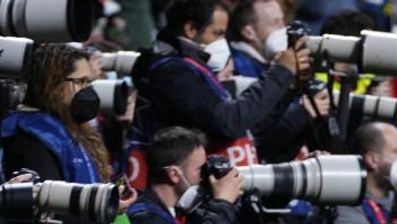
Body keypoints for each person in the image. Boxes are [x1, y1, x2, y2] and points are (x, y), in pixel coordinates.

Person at [129, 0, 311, 189]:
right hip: (181, 195)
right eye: (217, 34)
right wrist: (281, 71)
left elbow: (250, 128)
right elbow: (230, 122)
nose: (222, 43)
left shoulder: (193, 69)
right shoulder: (171, 73)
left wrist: (288, 89)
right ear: (191, 29)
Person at [1, 44, 112, 185]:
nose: (87, 90)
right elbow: (49, 200)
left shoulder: (74, 127)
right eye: (80, 82)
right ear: (53, 83)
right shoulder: (31, 136)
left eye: (89, 82)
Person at [128, 126, 244, 224]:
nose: (205, 176)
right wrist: (222, 203)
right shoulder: (145, 217)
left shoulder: (182, 211)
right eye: (200, 169)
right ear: (174, 174)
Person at [228, 0, 287, 78]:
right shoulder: (237, 68)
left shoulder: (265, 63)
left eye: (283, 20)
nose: (283, 28)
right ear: (249, 33)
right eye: (275, 23)